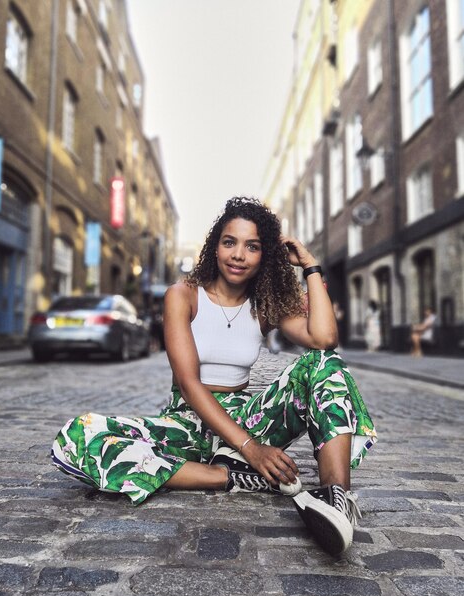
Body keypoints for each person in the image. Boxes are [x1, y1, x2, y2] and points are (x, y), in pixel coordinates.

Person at [51, 197, 377, 556]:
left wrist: (312, 268)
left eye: (252, 247)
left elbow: (324, 339)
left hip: (246, 416)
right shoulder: (183, 295)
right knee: (79, 435)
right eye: (229, 242)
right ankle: (232, 476)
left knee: (324, 362)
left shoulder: (263, 303)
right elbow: (189, 383)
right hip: (189, 420)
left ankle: (335, 499)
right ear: (215, 246)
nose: (238, 255)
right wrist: (251, 451)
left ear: (264, 256)